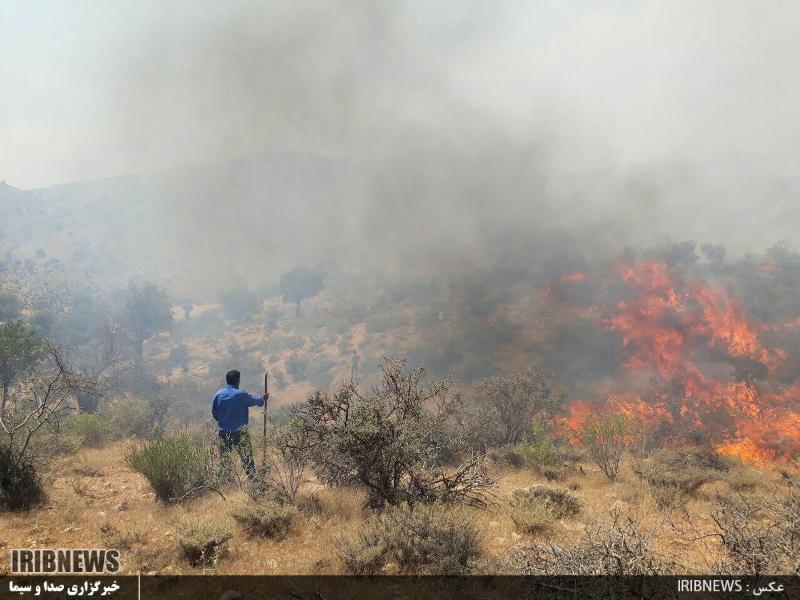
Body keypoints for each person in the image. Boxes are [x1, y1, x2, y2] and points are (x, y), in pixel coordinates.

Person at [211, 369, 268, 481]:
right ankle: (254, 482)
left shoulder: (218, 394)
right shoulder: (241, 394)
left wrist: (223, 422)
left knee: (225, 460)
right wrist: (263, 399)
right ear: (238, 380)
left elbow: (214, 413)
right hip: (239, 433)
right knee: (247, 459)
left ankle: (226, 483)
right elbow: (256, 402)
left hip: (223, 432)